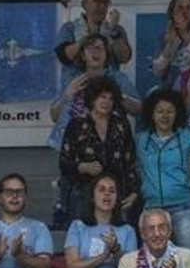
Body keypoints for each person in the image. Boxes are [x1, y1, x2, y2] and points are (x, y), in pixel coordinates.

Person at [135, 89, 190, 252]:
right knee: (154, 264)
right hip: (152, 209)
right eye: (160, 111)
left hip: (183, 207)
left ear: (177, 114)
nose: (165, 115)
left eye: (170, 111)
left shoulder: (186, 136)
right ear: (151, 114)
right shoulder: (141, 140)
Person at [58, 76, 142, 228]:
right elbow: (63, 162)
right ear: (92, 98)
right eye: (102, 97)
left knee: (117, 239)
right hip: (83, 194)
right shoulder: (76, 124)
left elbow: (130, 161)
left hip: (116, 193)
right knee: (82, 241)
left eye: (110, 98)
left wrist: (134, 191)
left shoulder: (121, 124)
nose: (106, 102)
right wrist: (81, 167)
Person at [55, 0, 133, 74]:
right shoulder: (69, 28)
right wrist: (91, 37)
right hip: (77, 82)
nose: (101, 6)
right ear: (84, 4)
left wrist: (113, 31)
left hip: (109, 82)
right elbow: (65, 56)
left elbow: (124, 58)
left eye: (105, 2)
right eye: (96, 1)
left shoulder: (117, 30)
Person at [150, 0, 190, 92]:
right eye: (180, 7)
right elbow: (158, 71)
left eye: (188, 8)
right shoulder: (164, 36)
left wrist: (188, 39)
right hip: (171, 89)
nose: (184, 12)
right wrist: (169, 43)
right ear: (172, 12)